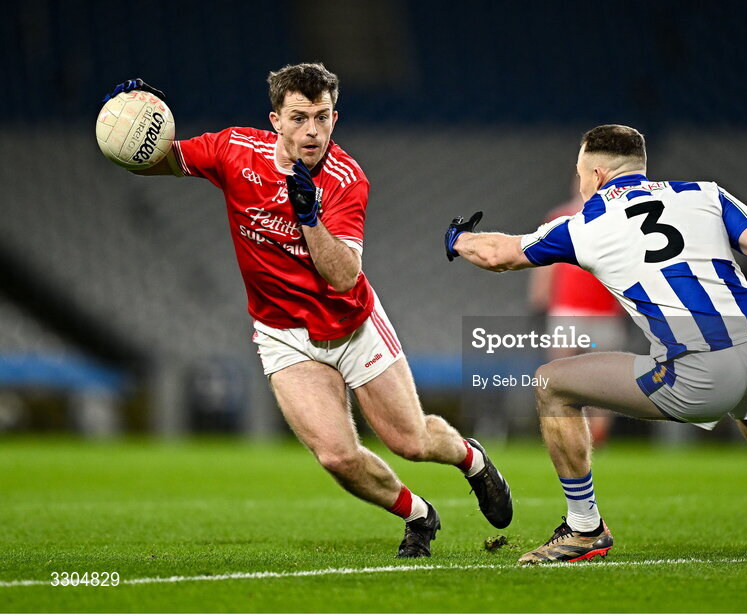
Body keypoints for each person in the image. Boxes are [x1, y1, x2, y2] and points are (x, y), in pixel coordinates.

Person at [445, 124, 747, 564]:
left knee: (551, 382)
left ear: (598, 174)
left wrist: (459, 237)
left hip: (700, 371)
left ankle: (584, 527)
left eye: (584, 173)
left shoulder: (586, 224)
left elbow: (498, 254)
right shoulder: (704, 193)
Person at [101, 65, 512, 558]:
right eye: (298, 118)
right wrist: (132, 133)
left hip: (352, 325)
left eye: (322, 117)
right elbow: (160, 161)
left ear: (335, 118)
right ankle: (418, 514)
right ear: (275, 119)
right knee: (337, 456)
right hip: (282, 333)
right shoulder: (234, 150)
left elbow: (343, 275)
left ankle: (471, 459)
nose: (311, 131)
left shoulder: (346, 180)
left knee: (412, 442)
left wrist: (309, 217)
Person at [528, 188, 628, 448]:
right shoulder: (559, 217)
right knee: (559, 375)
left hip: (604, 312)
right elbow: (545, 262)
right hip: (567, 309)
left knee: (605, 379)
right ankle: (565, 433)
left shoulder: (617, 219)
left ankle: (597, 436)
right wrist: (540, 297)